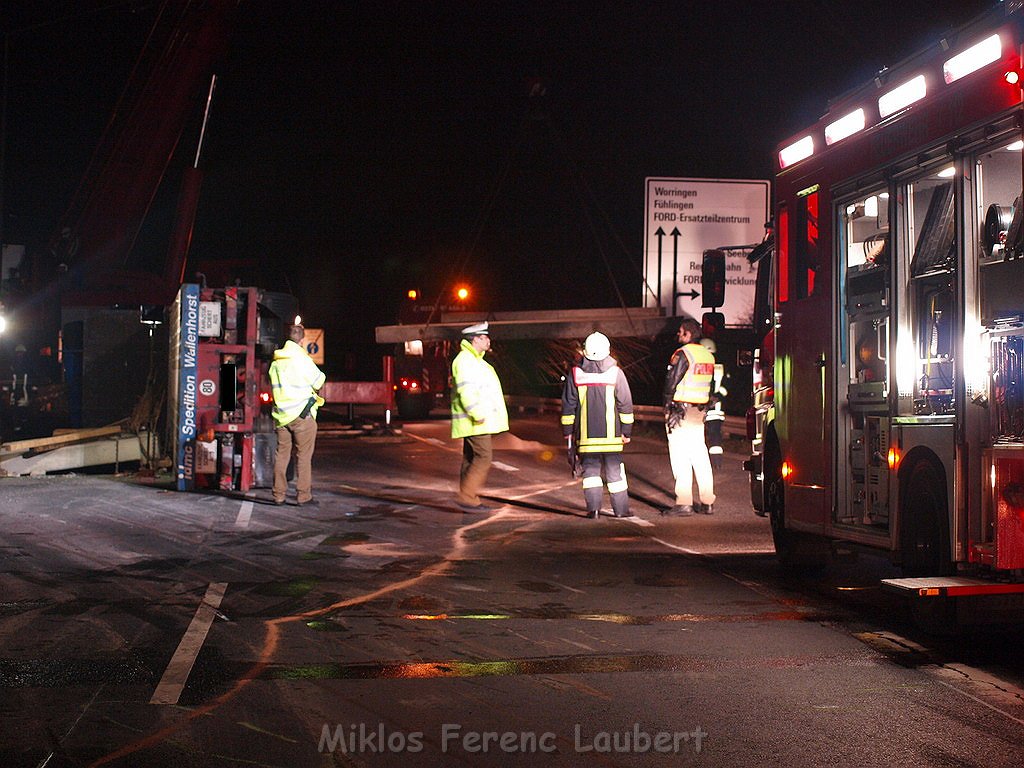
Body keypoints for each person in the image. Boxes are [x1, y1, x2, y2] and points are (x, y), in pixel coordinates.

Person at [561, 332, 635, 519]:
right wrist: (626, 431)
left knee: (591, 474)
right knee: (615, 474)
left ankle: (593, 510)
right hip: (612, 437)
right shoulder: (616, 373)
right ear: (608, 350)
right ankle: (621, 510)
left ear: (585, 351)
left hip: (586, 437)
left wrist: (568, 433)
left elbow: (569, 406)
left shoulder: (575, 374)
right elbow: (625, 404)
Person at [450, 321, 508, 511]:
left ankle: (468, 496)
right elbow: (466, 391)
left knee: (470, 457)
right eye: (484, 337)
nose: (488, 340)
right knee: (483, 457)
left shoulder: (475, 361)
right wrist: (477, 414)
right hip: (475, 420)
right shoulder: (465, 361)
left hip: (476, 421)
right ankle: (466, 496)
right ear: (475, 339)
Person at [663, 318, 716, 516]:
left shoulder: (683, 354)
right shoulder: (707, 356)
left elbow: (672, 381)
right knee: (700, 454)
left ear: (687, 334)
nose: (678, 335)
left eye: (680, 332)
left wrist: (667, 406)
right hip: (698, 411)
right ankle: (707, 501)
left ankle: (684, 502)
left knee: (680, 456)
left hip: (680, 411)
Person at [269, 324, 325, 506]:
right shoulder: (302, 360)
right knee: (303, 456)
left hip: (282, 417)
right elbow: (319, 381)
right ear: (301, 340)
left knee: (282, 455)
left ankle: (278, 495)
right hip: (302, 416)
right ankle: (303, 496)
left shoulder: (276, 363)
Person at [700, 338, 728, 470]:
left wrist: (713, 397)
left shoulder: (705, 367)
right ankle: (715, 462)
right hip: (713, 408)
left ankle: (714, 462)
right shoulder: (719, 367)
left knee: (713, 437)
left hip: (710, 409)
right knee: (714, 436)